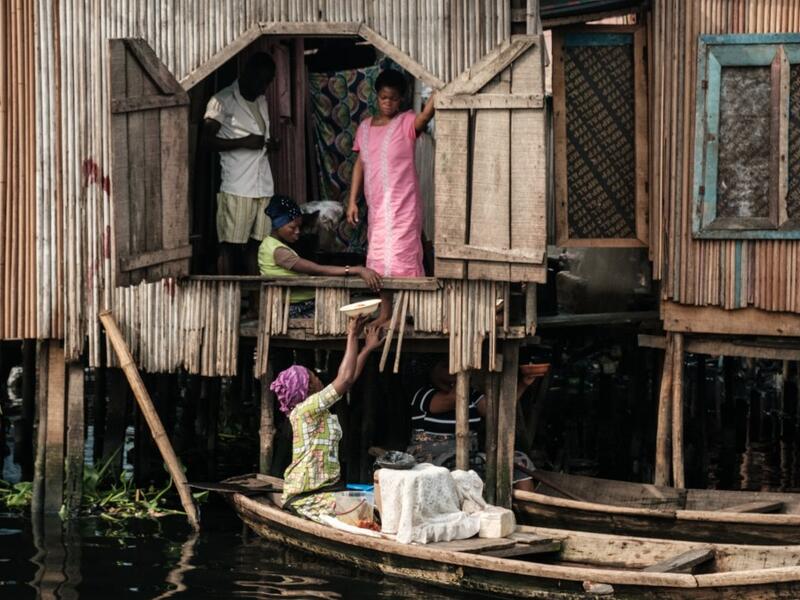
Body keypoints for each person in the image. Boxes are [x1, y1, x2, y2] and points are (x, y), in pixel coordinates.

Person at [346, 69, 436, 326]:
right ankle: (386, 313)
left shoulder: (407, 122)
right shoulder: (364, 128)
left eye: (394, 99)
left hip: (403, 203)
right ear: (377, 96)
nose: (388, 103)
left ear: (401, 99)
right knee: (380, 256)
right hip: (377, 204)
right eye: (384, 97)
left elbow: (426, 115)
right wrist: (352, 200)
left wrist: (441, 90)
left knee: (403, 253)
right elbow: (360, 164)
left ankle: (413, 312)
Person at [274, 318, 384, 522]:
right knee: (372, 515)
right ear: (306, 388)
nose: (317, 376)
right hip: (307, 498)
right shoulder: (306, 409)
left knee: (378, 506)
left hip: (325, 492)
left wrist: (366, 348)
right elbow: (345, 379)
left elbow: (347, 380)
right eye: (312, 375)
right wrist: (352, 335)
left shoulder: (313, 408)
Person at [202, 52, 279, 275]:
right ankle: (229, 302)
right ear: (247, 74)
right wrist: (243, 142)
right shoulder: (222, 101)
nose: (264, 88)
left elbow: (258, 138)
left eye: (268, 82)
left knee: (258, 247)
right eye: (261, 81)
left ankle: (254, 304)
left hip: (262, 185)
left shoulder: (261, 101)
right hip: (238, 186)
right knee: (230, 247)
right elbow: (206, 142)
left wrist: (269, 144)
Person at [408, 360, 538, 491]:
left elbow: (495, 411)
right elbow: (453, 400)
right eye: (445, 366)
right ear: (433, 372)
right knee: (466, 470)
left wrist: (523, 384)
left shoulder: (471, 393)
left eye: (453, 366)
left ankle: (528, 509)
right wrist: (462, 376)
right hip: (433, 457)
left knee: (518, 460)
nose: (452, 370)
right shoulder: (424, 394)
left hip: (469, 454)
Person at [258, 195, 383, 318]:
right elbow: (317, 269)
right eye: (292, 227)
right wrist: (357, 269)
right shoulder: (278, 250)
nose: (297, 231)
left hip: (300, 303)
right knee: (353, 313)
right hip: (296, 308)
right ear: (278, 225)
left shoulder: (271, 245)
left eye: (299, 227)